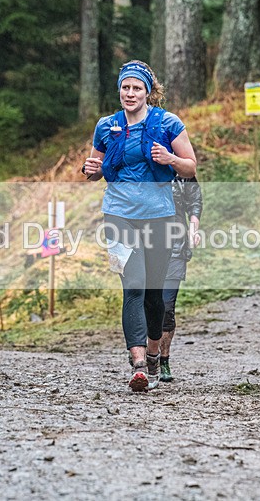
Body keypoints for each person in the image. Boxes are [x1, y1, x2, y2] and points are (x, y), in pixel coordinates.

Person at [83, 60, 197, 392]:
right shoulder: (106, 126)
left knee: (155, 295)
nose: (130, 93)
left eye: (137, 88)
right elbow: (96, 168)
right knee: (133, 285)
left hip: (159, 215)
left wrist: (171, 160)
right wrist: (91, 169)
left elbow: (190, 168)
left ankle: (152, 352)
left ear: (148, 92)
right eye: (125, 87)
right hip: (117, 214)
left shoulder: (168, 123)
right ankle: (137, 364)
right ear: (119, 90)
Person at [160, 176, 203, 382]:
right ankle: (141, 353)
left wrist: (194, 230)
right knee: (144, 300)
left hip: (176, 246)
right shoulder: (141, 163)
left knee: (167, 306)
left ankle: (164, 360)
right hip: (145, 244)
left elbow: (194, 201)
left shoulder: (182, 170)